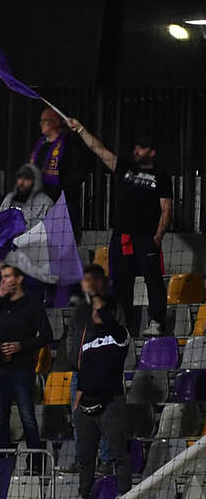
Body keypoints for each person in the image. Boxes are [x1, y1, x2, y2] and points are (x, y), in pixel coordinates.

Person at [67, 118, 173, 336]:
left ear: (152, 152)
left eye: (142, 147)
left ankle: (156, 321)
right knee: (122, 284)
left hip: (146, 238)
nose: (137, 150)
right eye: (136, 147)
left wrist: (157, 237)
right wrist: (80, 129)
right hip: (122, 237)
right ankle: (125, 327)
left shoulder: (161, 176)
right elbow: (99, 150)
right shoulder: (125, 168)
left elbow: (166, 209)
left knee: (153, 281)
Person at [67, 292, 133, 499]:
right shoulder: (88, 340)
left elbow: (117, 330)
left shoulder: (120, 336)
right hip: (85, 405)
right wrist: (78, 404)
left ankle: (125, 497)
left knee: (118, 453)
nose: (95, 313)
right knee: (86, 457)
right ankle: (84, 498)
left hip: (111, 403)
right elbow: (83, 373)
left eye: (100, 310)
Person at [0, 265, 50, 449]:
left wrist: (21, 346)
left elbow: (47, 335)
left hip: (22, 369)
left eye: (8, 276)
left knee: (27, 416)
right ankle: (3, 461)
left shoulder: (32, 304)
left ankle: (35, 460)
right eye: (2, 277)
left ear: (19, 279)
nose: (3, 281)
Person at [30, 108, 87, 234]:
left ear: (55, 122)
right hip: (38, 207)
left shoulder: (70, 145)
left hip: (62, 206)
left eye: (45, 120)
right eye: (41, 121)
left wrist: (58, 188)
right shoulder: (39, 145)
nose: (41, 124)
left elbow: (79, 174)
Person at [0, 163, 54, 231]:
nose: (22, 182)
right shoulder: (9, 198)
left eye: (27, 178)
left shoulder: (45, 203)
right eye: (20, 177)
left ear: (36, 181)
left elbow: (51, 230)